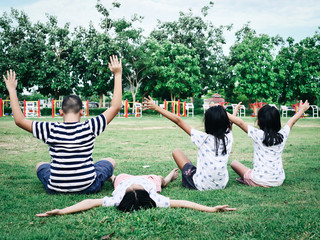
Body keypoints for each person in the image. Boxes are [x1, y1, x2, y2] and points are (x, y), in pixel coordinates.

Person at [3, 55, 122, 194]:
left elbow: (19, 120)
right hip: (88, 186)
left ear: (61, 112)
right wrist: (117, 74)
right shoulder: (90, 127)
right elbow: (116, 107)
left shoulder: (50, 129)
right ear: (82, 112)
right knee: (110, 161)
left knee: (40, 166)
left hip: (56, 188)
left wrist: (11, 90)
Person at [36, 168, 236, 216]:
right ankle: (167, 178)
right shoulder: (155, 198)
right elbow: (184, 203)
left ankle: (112, 178)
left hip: (121, 180)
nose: (135, 183)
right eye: (136, 188)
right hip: (151, 180)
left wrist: (63, 210)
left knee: (117, 177)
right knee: (160, 180)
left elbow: (89, 202)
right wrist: (210, 209)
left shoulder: (117, 198)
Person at [143, 96, 242, 191]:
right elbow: (229, 125)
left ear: (207, 123)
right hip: (222, 184)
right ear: (225, 122)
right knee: (194, 168)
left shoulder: (203, 138)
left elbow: (178, 121)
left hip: (201, 184)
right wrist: (232, 112)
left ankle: (187, 179)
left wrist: (156, 107)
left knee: (176, 152)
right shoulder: (228, 138)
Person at [228, 101, 310, 187]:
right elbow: (292, 121)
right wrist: (302, 110)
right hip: (278, 181)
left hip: (258, 180)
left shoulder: (258, 134)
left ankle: (249, 180)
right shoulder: (282, 135)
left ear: (259, 122)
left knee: (234, 163)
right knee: (250, 171)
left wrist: (221, 111)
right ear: (277, 122)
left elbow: (240, 123)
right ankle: (250, 179)